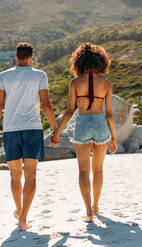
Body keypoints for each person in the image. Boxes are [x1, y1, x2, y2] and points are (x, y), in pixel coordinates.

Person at [0, 42, 58, 230]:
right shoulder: (39, 75)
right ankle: (24, 219)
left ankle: (19, 210)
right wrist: (55, 129)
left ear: (16, 56)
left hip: (10, 131)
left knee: (15, 175)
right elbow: (46, 104)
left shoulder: (4, 76)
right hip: (33, 130)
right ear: (31, 56)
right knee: (31, 175)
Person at [50, 42, 117, 222]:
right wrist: (114, 138)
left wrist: (57, 132)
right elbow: (109, 114)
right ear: (100, 61)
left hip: (83, 123)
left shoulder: (75, 83)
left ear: (78, 61)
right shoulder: (106, 84)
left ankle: (88, 211)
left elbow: (70, 111)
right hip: (101, 122)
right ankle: (96, 205)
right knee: (98, 170)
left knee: (83, 170)